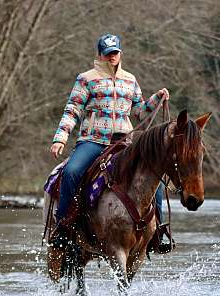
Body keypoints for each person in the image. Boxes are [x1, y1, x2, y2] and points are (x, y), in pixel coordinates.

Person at [49, 33, 169, 248]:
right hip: (93, 140)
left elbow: (139, 111)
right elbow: (72, 110)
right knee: (72, 172)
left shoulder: (130, 79)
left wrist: (156, 98)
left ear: (120, 53)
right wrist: (61, 138)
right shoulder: (86, 78)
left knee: (155, 178)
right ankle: (63, 227)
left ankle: (157, 232)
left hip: (125, 142)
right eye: (108, 54)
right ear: (100, 55)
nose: (112, 57)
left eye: (115, 53)